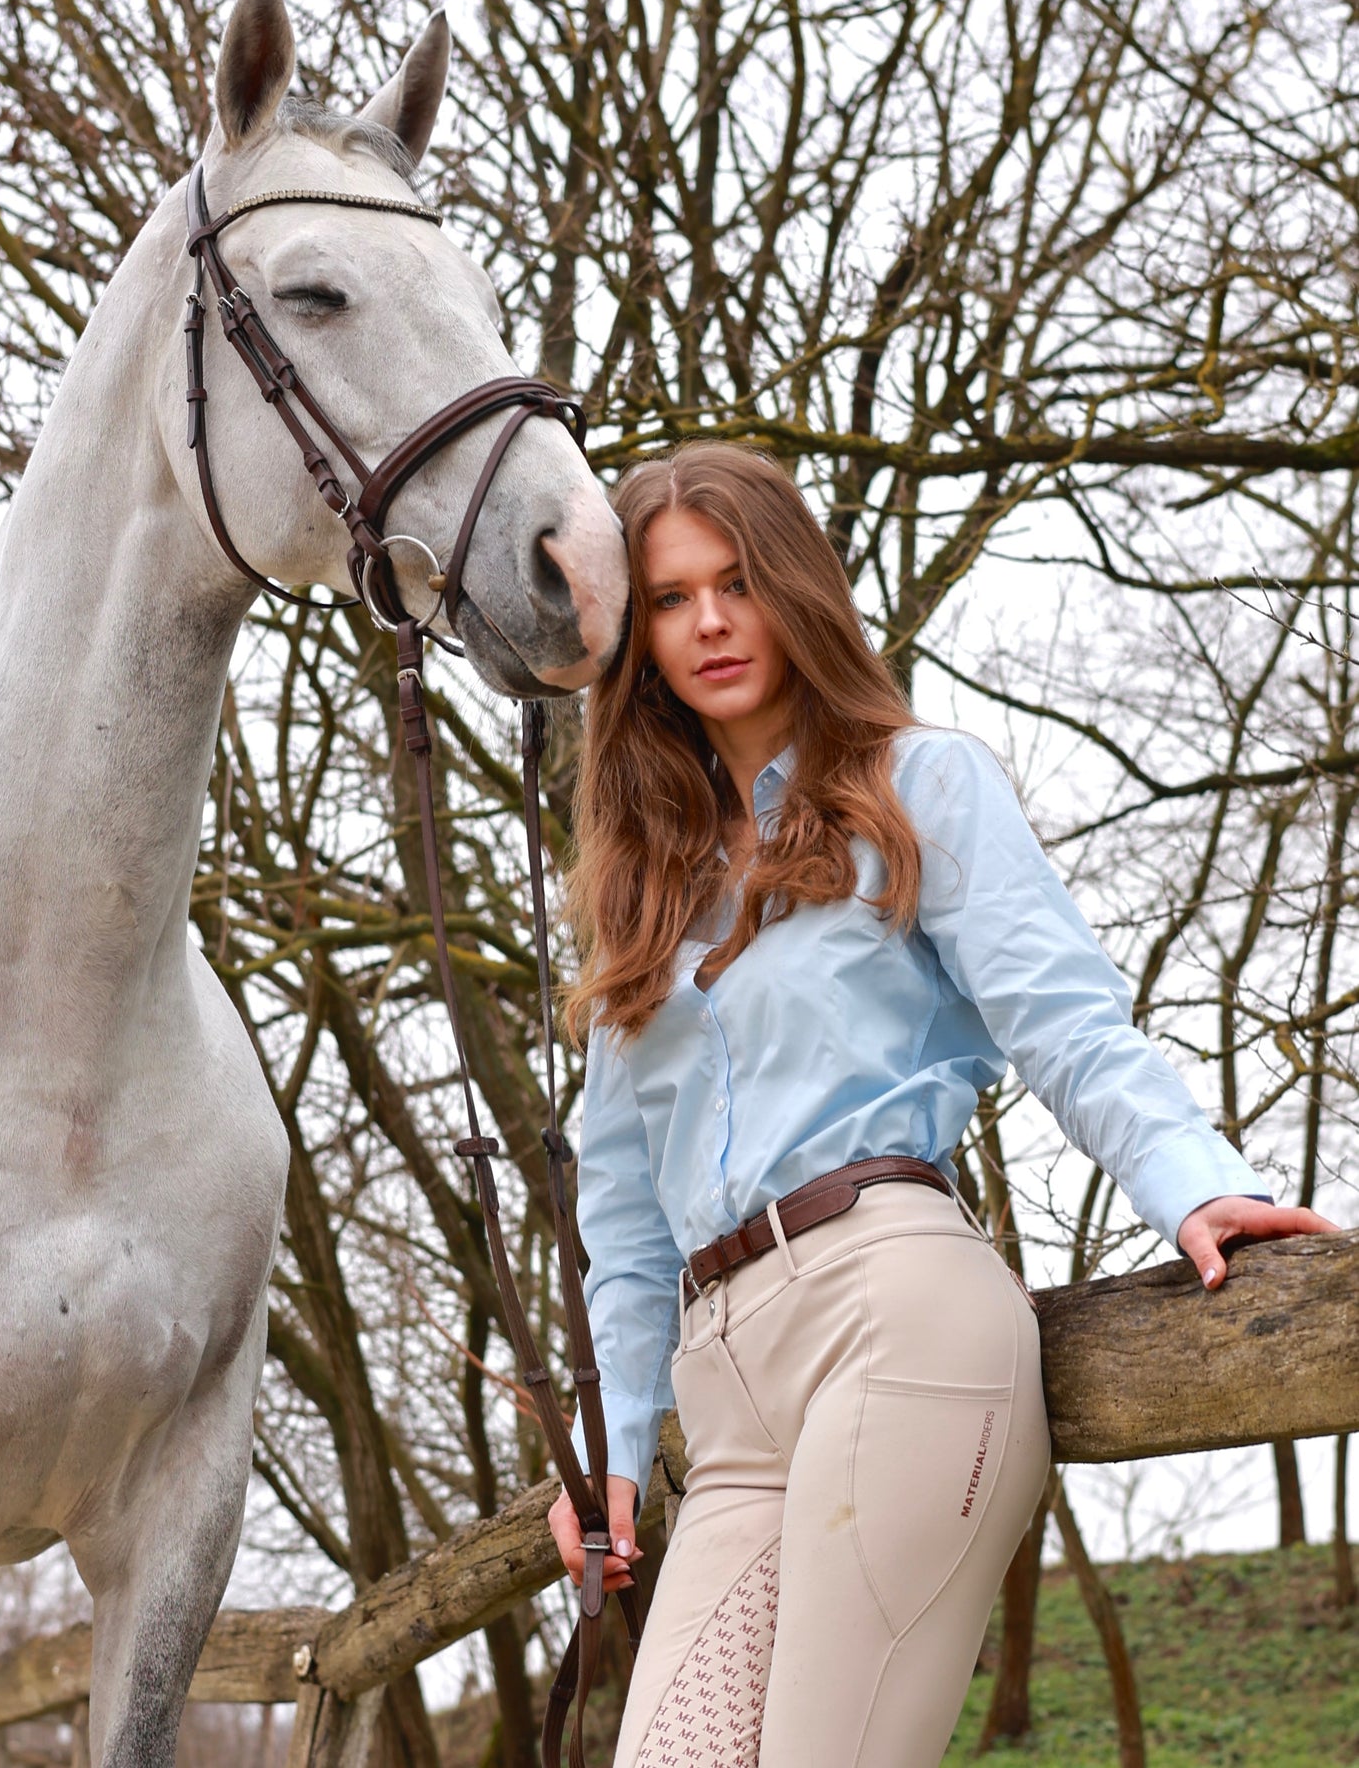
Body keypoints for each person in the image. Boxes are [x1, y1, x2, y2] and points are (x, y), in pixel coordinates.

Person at [546, 441, 1333, 1768]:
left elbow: (1064, 1019)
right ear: (638, 639)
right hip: (727, 1397)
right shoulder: (647, 891)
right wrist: (611, 1443)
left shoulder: (916, 788)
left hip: (891, 1322)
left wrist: (1188, 1180)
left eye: (737, 582)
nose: (712, 623)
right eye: (672, 599)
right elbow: (620, 1210)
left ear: (794, 590)